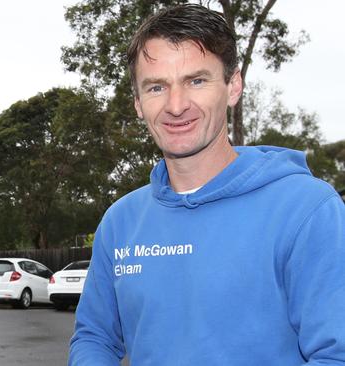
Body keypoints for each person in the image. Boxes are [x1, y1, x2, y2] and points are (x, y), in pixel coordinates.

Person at [69, 4, 345, 365]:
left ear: (233, 86)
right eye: (156, 87)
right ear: (138, 103)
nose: (176, 105)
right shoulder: (120, 223)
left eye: (196, 81)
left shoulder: (307, 210)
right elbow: (95, 336)